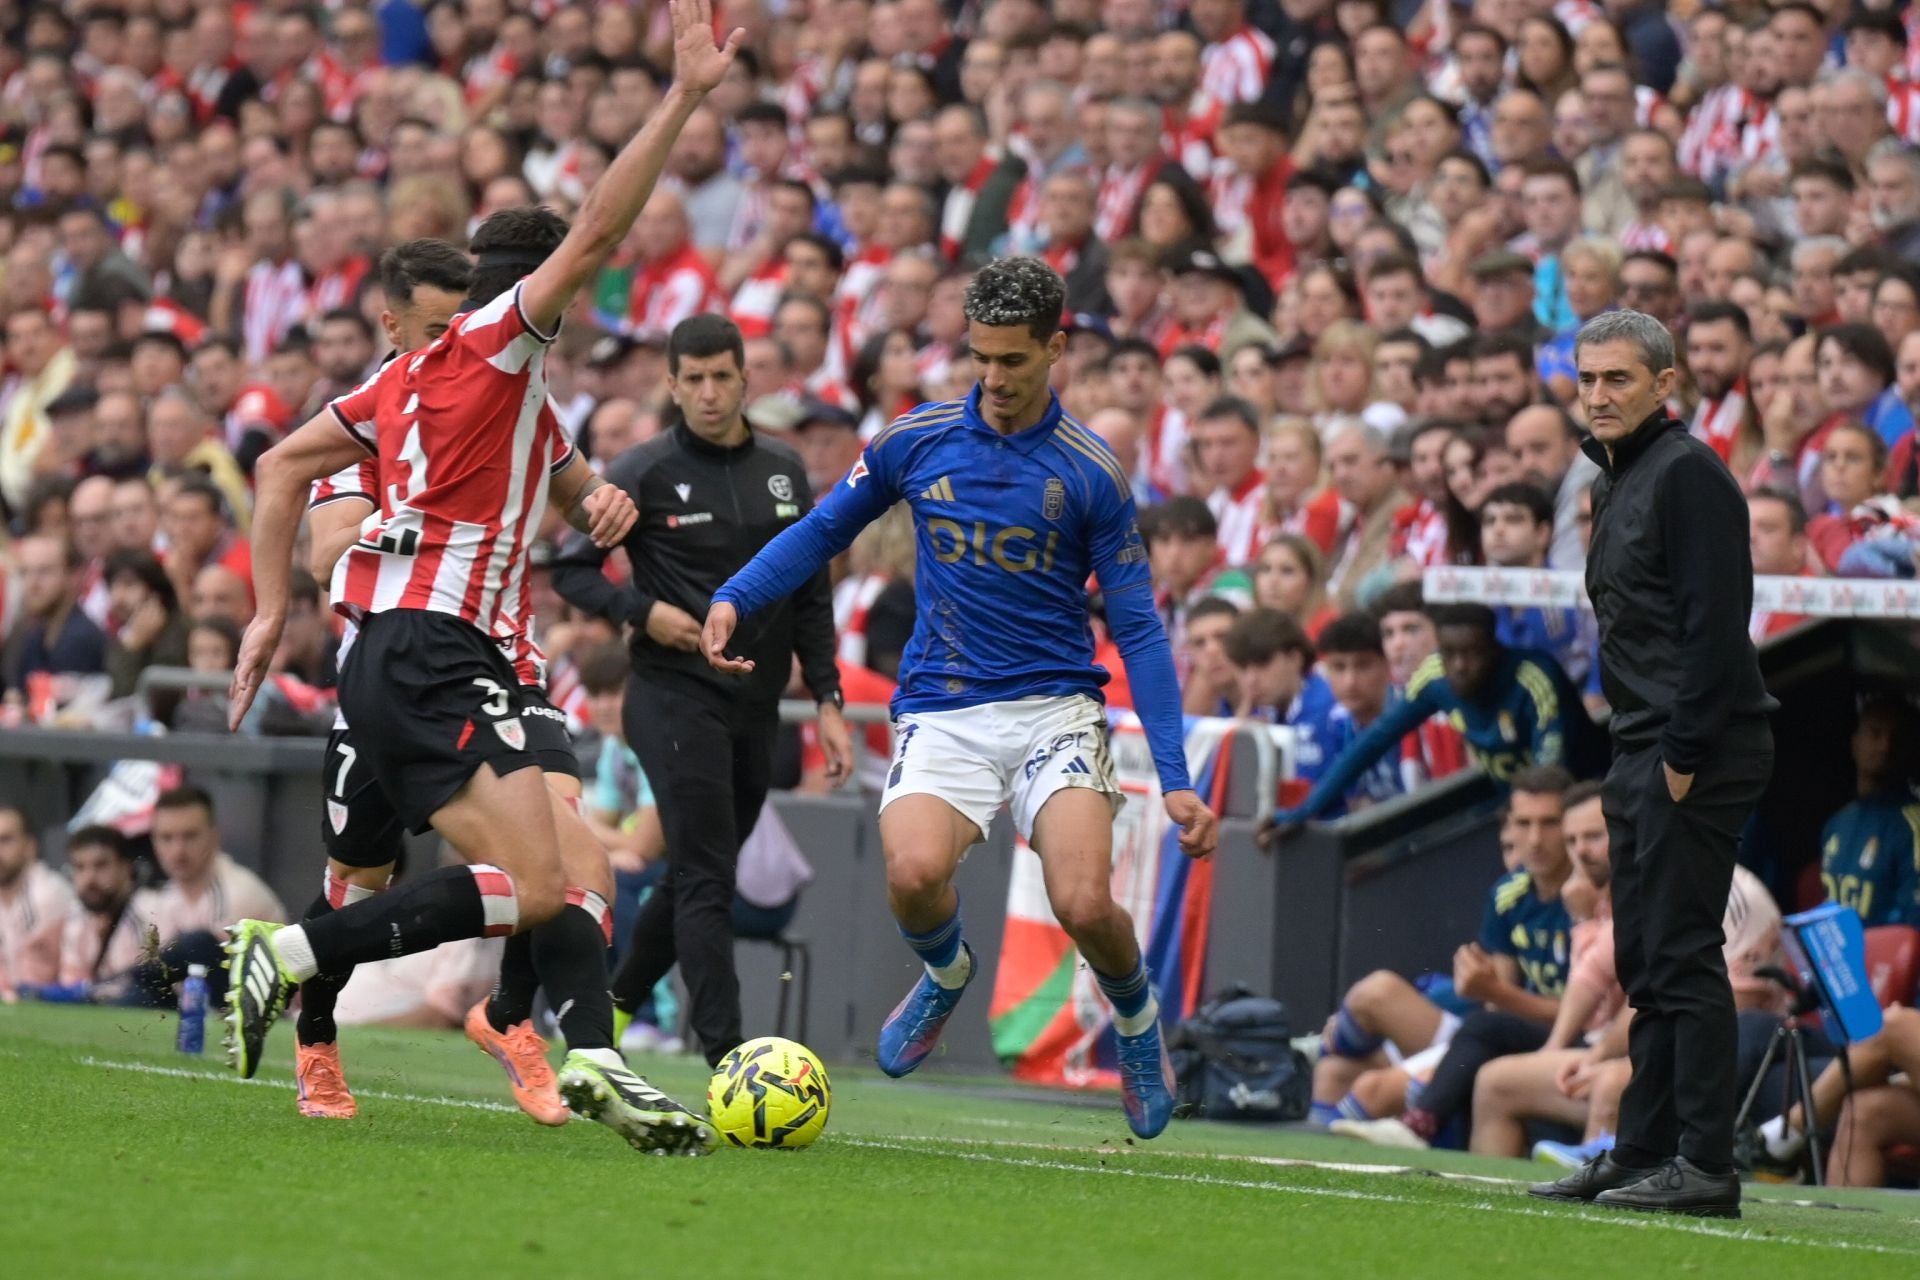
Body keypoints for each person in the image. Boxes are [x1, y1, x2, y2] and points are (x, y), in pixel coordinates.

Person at [221, 0, 743, 1155]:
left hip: (436, 652)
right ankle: (301, 962)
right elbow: (602, 234)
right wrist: (683, 97)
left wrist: (267, 614)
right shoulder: (496, 343)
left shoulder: (402, 387)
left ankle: (577, 1046)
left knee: (560, 878)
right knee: (513, 879)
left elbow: (283, 461)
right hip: (426, 646)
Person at [703, 256, 1219, 1139]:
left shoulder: (1090, 472)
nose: (993, 378)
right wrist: (736, 596)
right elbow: (827, 528)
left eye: (1013, 360)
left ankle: (1137, 1027)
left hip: (1056, 707)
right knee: (911, 875)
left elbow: (1137, 629)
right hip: (944, 706)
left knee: (1086, 903)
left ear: (1057, 348)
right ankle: (946, 975)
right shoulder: (918, 439)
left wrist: (1173, 775)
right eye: (979, 357)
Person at [550, 312, 848, 1068]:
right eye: (696, 380)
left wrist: (830, 700)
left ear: (746, 380)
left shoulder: (783, 469)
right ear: (674, 385)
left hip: (759, 703)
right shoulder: (643, 470)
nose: (711, 393)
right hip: (672, 693)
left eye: (724, 377)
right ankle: (729, 1057)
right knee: (710, 874)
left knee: (693, 870)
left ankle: (608, 1011)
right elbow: (572, 565)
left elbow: (810, 592)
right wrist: (644, 611)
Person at [1532, 309, 1776, 1218]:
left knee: (1680, 956)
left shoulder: (1689, 477)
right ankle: (1641, 1151)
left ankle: (1706, 1163)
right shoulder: (1618, 479)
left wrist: (1680, 753)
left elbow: (1718, 628)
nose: (1598, 395)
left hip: (1691, 745)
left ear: (1664, 385)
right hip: (1641, 744)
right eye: (1588, 379)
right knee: (1645, 960)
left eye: (1618, 380)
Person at [1266, 603, 1605, 829]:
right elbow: (1372, 742)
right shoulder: (1434, 677)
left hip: (1585, 804)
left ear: (1496, 650)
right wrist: (1306, 810)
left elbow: (1551, 775)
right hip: (1517, 813)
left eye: (1472, 653)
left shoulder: (1533, 680)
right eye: (1449, 654)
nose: (1459, 666)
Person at [1818, 696, 1920, 928]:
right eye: (1875, 733)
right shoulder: (1837, 824)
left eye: (1897, 738)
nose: (1885, 746)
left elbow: (1914, 931)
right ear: (1855, 743)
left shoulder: (1912, 827)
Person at [0, 805, 77, 999]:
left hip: (54, 1009)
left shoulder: (51, 893)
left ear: (30, 846)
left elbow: (77, 971)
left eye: (5, 840)